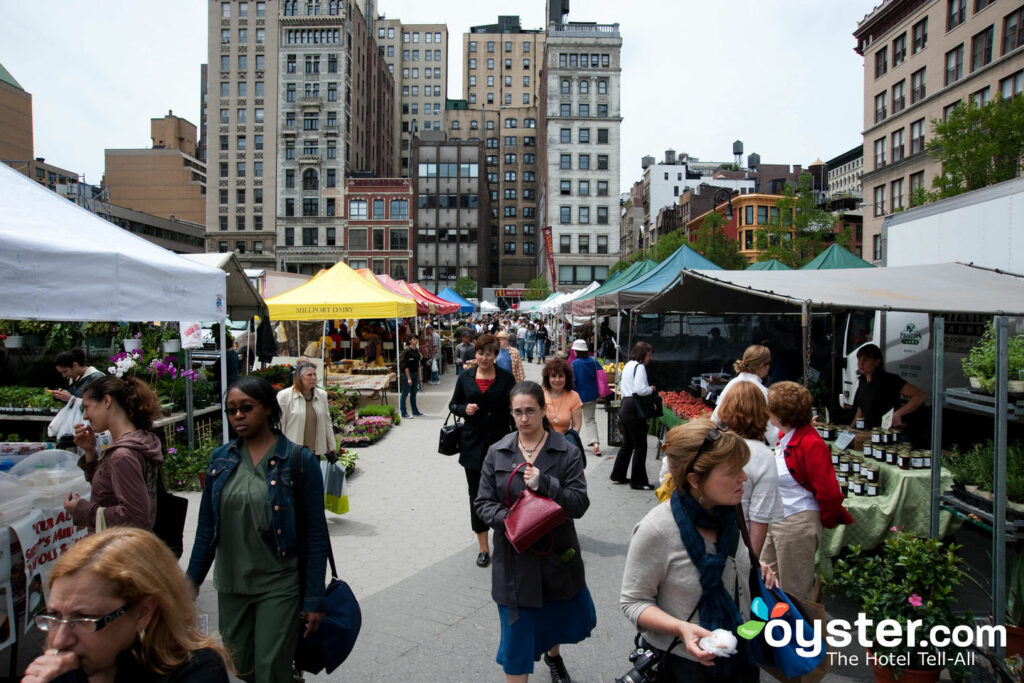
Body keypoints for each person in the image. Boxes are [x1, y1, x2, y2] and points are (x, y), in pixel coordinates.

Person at [187, 377, 329, 683]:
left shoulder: (297, 460)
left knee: (271, 669)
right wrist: (189, 583)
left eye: (246, 408)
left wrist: (314, 598)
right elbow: (205, 530)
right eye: (231, 410)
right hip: (231, 584)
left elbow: (317, 534)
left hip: (279, 583)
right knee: (241, 665)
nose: (237, 415)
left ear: (266, 408)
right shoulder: (220, 461)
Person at [620, 418, 777, 682]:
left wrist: (751, 566)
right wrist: (681, 628)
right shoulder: (656, 529)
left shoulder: (729, 515)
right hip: (683, 666)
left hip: (740, 658)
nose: (744, 477)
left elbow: (727, 565)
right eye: (732, 471)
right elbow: (633, 602)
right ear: (695, 479)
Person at [475, 381, 595, 683]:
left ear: (544, 410)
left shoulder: (565, 451)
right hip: (514, 562)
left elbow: (579, 503)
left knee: (551, 619)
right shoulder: (497, 452)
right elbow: (483, 503)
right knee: (516, 646)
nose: (524, 418)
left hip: (556, 556)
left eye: (530, 411)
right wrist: (514, 521)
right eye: (517, 412)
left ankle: (554, 659)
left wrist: (547, 485)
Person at [23, 528, 233, 683]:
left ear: (143, 613)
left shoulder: (198, 671)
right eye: (54, 617)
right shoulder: (60, 671)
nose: (60, 640)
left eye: (84, 619)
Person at [764, 381, 853, 601]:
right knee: (767, 583)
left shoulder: (811, 443)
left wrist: (823, 519)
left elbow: (830, 494)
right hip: (777, 520)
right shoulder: (789, 436)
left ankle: (796, 634)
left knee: (793, 593)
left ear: (780, 416)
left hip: (797, 522)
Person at [449, 334, 516, 568]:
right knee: (476, 495)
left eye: (489, 353)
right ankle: (483, 547)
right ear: (475, 353)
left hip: (501, 445)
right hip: (473, 445)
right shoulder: (465, 377)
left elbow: (515, 407)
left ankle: (505, 541)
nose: (484, 357)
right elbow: (453, 404)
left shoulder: (506, 378)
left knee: (503, 493)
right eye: (480, 352)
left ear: (496, 355)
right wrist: (463, 409)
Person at [65, 376, 164, 531]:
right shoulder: (141, 440)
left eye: (87, 407)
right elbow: (108, 490)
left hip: (120, 549)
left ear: (106, 401)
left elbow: (135, 517)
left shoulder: (123, 454)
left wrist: (83, 510)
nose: (85, 416)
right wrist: (90, 450)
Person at [715, 382, 785, 558]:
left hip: (704, 540)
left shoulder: (713, 443)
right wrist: (751, 563)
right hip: (736, 546)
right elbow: (759, 518)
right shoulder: (763, 456)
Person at [712, 344, 780, 446]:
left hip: (727, 447)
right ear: (761, 366)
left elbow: (715, 419)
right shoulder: (763, 392)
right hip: (751, 450)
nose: (769, 367)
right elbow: (773, 434)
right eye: (769, 364)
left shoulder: (730, 385)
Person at [610, 342, 657, 490]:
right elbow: (640, 389)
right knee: (640, 446)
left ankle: (618, 474)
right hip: (634, 408)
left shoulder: (628, 365)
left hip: (625, 405)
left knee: (628, 443)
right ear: (642, 354)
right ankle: (638, 481)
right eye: (649, 355)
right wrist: (651, 389)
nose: (650, 358)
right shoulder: (640, 367)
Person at [850, 343, 926, 429]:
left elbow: (920, 395)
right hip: (867, 433)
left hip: (885, 433)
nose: (861, 363)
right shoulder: (862, 381)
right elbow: (861, 408)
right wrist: (851, 428)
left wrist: (898, 413)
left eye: (865, 360)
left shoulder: (890, 380)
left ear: (877, 362)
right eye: (859, 360)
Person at [276, 361, 336, 461]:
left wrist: (331, 445)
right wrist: (279, 449)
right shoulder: (284, 396)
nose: (313, 378)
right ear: (299, 377)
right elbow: (279, 425)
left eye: (315, 374)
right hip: (292, 453)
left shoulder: (322, 395)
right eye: (309, 375)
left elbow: (327, 422)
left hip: (314, 452)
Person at [569, 340, 602, 456]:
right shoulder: (593, 361)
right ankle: (596, 444)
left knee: (575, 422)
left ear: (576, 351)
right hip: (592, 394)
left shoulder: (574, 364)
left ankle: (572, 444)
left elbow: (572, 381)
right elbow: (601, 373)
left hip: (577, 396)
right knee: (590, 420)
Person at [541, 358, 583, 447]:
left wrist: (569, 441)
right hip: (542, 444)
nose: (557, 380)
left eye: (561, 376)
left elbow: (576, 426)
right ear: (547, 378)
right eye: (553, 376)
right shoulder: (540, 395)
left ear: (566, 378)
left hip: (564, 444)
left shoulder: (574, 397)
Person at [399, 336, 424, 418]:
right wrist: (409, 378)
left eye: (416, 338)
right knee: (405, 393)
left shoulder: (416, 350)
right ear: (409, 340)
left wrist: (419, 376)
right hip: (408, 374)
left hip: (415, 374)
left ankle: (415, 411)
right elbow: (405, 366)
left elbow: (418, 365)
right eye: (413, 339)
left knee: (414, 393)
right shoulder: (406, 351)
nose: (416, 340)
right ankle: (404, 412)